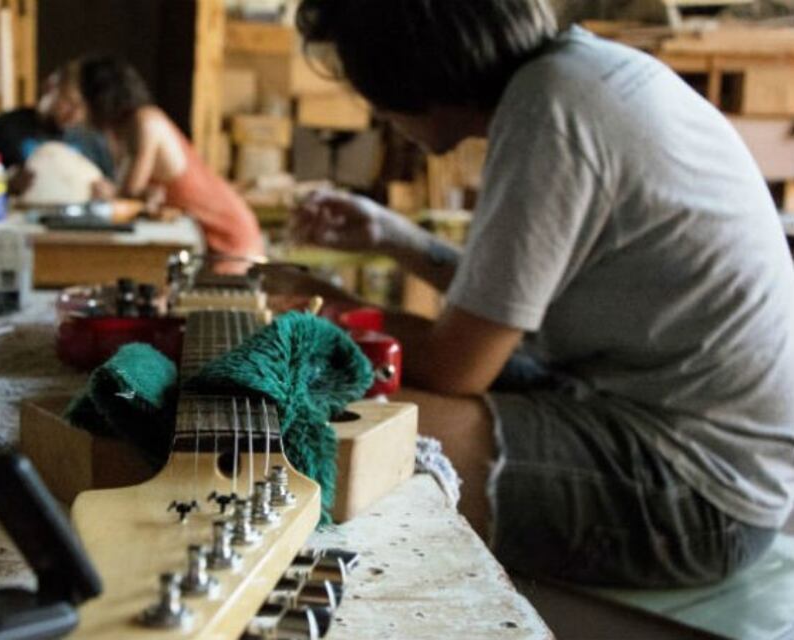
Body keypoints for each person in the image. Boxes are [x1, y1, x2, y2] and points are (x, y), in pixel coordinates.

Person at [282, 0, 794, 588]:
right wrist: (389, 236)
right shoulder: (578, 75)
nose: (375, 107)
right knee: (354, 404)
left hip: (703, 489)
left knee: (323, 433)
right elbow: (506, 300)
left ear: (402, 67)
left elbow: (457, 365)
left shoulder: (550, 110)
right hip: (658, 419)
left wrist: (316, 305)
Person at [78, 54, 265, 260]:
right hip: (204, 235)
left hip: (228, 235)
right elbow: (138, 194)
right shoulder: (125, 129)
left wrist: (111, 192)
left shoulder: (145, 121)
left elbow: (127, 193)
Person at [0, 60, 115, 194]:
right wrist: (8, 185)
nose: (74, 114)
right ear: (50, 87)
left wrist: (108, 193)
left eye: (83, 108)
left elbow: (112, 190)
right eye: (70, 102)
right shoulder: (7, 126)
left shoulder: (93, 138)